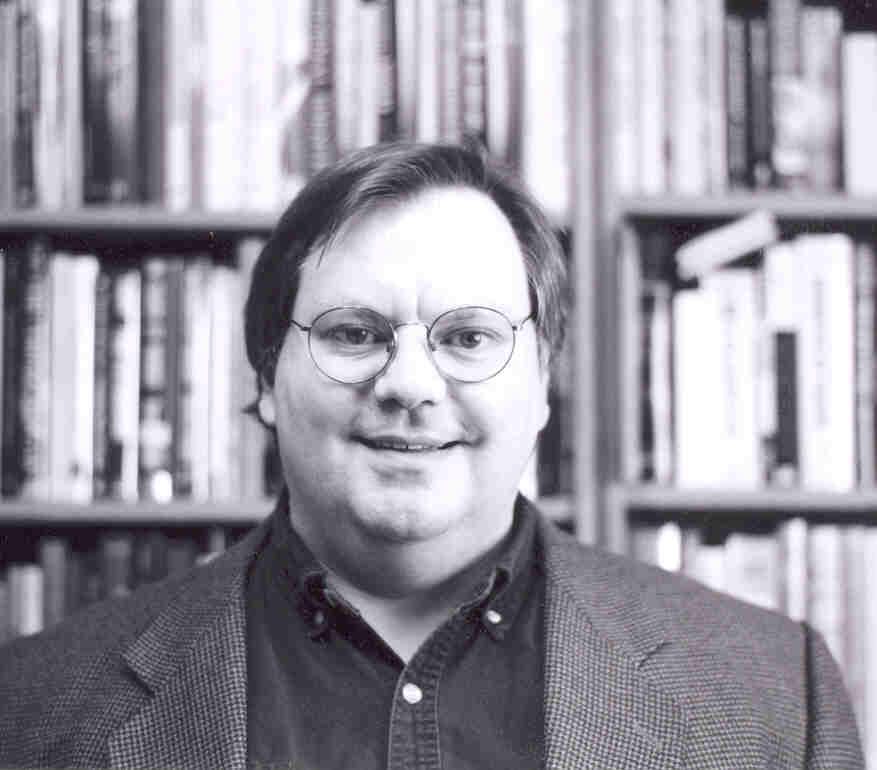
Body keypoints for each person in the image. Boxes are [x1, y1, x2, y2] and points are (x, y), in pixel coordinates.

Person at [0, 142, 864, 769]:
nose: (409, 384)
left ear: (542, 383)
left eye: (467, 337)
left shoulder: (772, 699)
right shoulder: (34, 708)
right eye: (353, 333)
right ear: (266, 376)